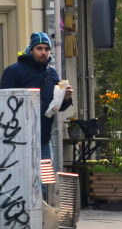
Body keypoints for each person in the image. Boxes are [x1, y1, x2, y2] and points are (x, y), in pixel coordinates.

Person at [1, 32, 74, 161]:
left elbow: (55, 107)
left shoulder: (52, 74)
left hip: (44, 139)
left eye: (46, 49)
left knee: (44, 180)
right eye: (39, 48)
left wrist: (66, 98)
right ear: (31, 50)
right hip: (16, 139)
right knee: (22, 179)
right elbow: (4, 103)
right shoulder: (14, 71)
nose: (43, 52)